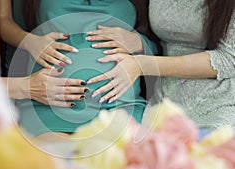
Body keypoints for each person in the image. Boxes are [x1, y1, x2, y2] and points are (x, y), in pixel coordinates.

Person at [0, 0, 159, 136]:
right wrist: (30, 41)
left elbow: (160, 46)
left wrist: (139, 42)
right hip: (50, 103)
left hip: (119, 104)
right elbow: (6, 22)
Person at [88, 0, 235, 133]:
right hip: (164, 99)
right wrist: (140, 43)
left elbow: (229, 59)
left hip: (218, 102)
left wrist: (143, 65)